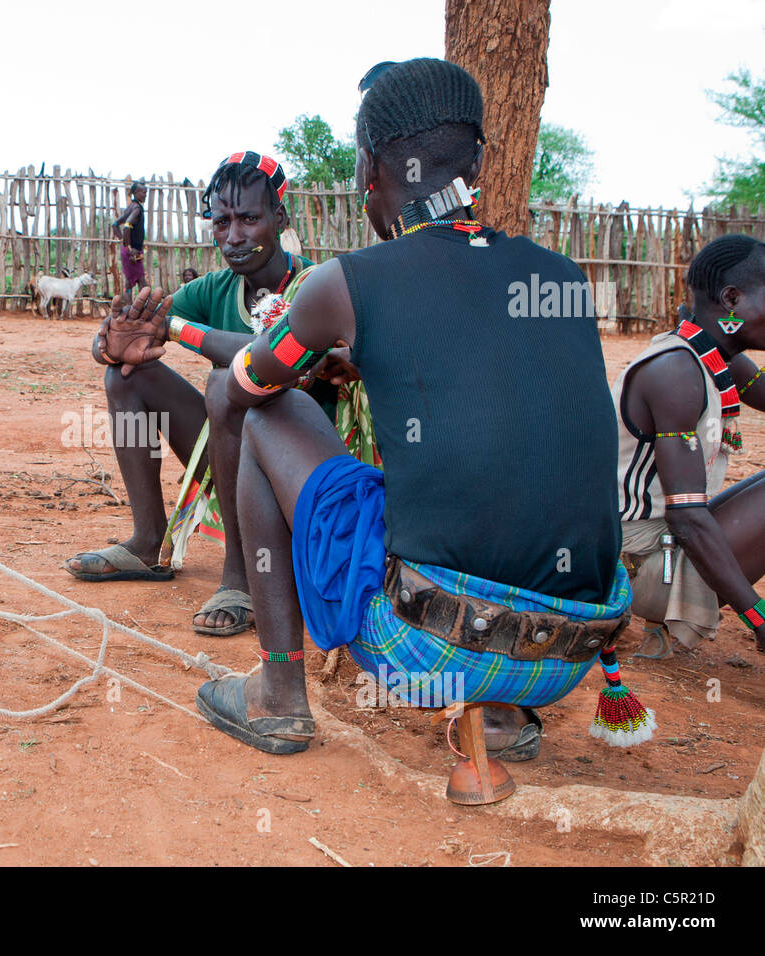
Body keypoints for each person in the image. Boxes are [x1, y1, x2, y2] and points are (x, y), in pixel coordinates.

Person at [103, 59, 639, 760]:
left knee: (269, 417)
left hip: (428, 647)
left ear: (366, 170)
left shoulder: (343, 284)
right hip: (568, 653)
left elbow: (245, 389)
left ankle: (277, 693)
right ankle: (500, 718)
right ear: (477, 162)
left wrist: (197, 341)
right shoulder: (562, 276)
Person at [66, 152, 376, 638]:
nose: (233, 236)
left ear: (280, 218)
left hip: (302, 481)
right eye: (221, 220)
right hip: (235, 464)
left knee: (226, 383)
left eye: (249, 219)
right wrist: (111, 344)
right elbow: (134, 333)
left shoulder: (315, 286)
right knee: (127, 378)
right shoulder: (216, 288)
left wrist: (176, 330)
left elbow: (274, 354)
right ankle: (148, 541)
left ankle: (242, 577)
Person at [613, 234, 765, 659]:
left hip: (657, 541)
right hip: (633, 563)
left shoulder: (714, 355)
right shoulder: (676, 372)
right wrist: (757, 617)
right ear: (732, 298)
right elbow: (686, 518)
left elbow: (760, 388)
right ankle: (663, 611)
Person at [113, 181, 148, 294]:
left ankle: (131, 307)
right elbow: (127, 226)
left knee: (132, 281)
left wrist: (124, 243)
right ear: (136, 192)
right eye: (143, 192)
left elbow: (115, 225)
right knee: (141, 281)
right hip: (133, 251)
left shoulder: (131, 207)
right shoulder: (137, 209)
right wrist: (129, 247)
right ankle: (143, 308)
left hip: (130, 250)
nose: (145, 195)